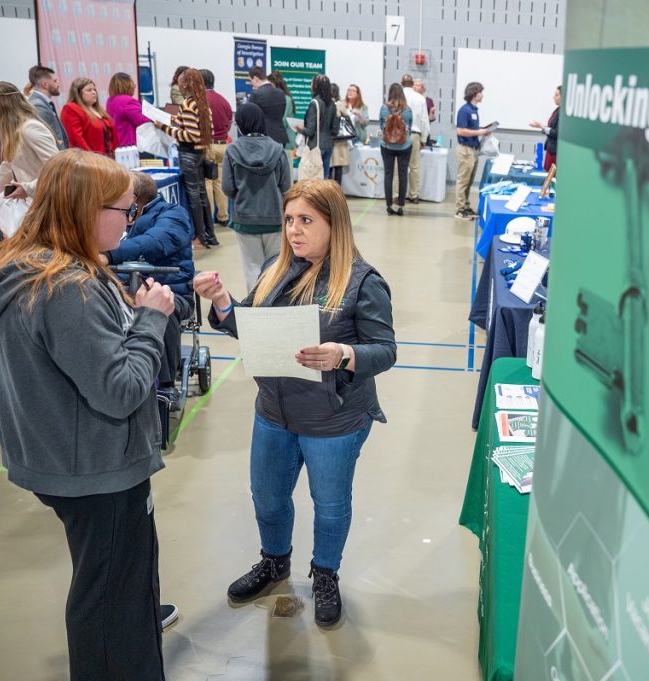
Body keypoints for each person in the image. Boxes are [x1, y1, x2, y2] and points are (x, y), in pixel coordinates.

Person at [0, 149, 176, 680]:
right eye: (125, 210)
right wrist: (150, 322)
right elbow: (120, 389)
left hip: (63, 455)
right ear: (85, 210)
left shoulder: (29, 267)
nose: (130, 221)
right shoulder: (66, 287)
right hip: (97, 469)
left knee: (113, 582)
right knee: (109, 601)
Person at [193, 178, 396, 628]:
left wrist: (345, 354)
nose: (293, 231)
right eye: (289, 220)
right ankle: (274, 562)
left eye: (306, 220)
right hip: (274, 413)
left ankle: (325, 575)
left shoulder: (362, 282)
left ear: (334, 224)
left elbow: (386, 349)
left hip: (333, 419)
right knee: (267, 497)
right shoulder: (274, 268)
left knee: (330, 505)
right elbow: (249, 326)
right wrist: (224, 304)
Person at [102, 171, 195, 399]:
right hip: (125, 291)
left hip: (170, 291)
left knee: (161, 307)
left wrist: (109, 255)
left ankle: (166, 384)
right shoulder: (116, 218)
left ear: (134, 199)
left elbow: (155, 242)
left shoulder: (173, 215)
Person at [223, 103, 292, 291]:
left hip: (244, 219)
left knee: (252, 267)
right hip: (274, 218)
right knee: (277, 266)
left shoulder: (232, 150)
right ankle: (276, 304)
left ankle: (255, 311)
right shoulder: (278, 149)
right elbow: (286, 186)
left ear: (241, 124)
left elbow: (227, 188)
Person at [154, 68, 218, 248]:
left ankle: (199, 237)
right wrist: (176, 120)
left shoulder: (187, 105)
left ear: (184, 84)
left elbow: (189, 135)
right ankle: (209, 234)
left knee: (194, 198)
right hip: (199, 154)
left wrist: (163, 127)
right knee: (201, 195)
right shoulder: (201, 104)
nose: (178, 86)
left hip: (188, 154)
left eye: (179, 83)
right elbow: (200, 130)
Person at [0, 81, 60, 203]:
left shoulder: (30, 128)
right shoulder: (13, 131)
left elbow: (58, 167)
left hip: (48, 203)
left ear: (3, 105)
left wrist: (28, 188)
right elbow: (9, 165)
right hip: (34, 204)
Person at [200, 69, 234, 226]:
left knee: (207, 182)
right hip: (223, 145)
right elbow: (229, 123)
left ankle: (209, 219)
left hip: (207, 145)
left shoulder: (199, 100)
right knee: (219, 182)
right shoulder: (223, 101)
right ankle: (223, 216)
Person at [454, 81, 489, 220]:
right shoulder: (465, 110)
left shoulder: (474, 110)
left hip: (473, 150)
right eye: (481, 92)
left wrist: (482, 131)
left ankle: (466, 206)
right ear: (475, 94)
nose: (482, 95)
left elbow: (472, 130)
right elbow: (461, 131)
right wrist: (479, 132)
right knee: (463, 181)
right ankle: (459, 209)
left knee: (469, 181)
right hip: (465, 150)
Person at [378, 83, 413, 216]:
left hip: (387, 145)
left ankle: (389, 205)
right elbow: (409, 127)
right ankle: (400, 206)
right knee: (403, 175)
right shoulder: (407, 110)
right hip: (404, 145)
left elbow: (382, 126)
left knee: (388, 174)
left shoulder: (384, 108)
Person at [61, 77, 118, 156]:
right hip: (90, 161)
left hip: (109, 159)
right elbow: (77, 139)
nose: (94, 92)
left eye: (94, 90)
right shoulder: (71, 108)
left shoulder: (99, 110)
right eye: (89, 90)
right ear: (78, 93)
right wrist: (92, 158)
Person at [296, 74, 339, 180]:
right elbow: (335, 130)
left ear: (316, 86)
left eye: (312, 83)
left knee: (313, 178)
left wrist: (300, 129)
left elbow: (310, 131)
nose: (310, 85)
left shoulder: (314, 103)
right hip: (328, 144)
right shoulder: (332, 104)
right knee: (324, 178)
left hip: (315, 145)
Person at [400, 74, 430, 204]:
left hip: (398, 135)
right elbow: (424, 120)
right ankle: (414, 195)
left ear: (402, 83)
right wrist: (423, 138)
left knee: (398, 166)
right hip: (414, 134)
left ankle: (397, 195)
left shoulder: (397, 97)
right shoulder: (420, 98)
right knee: (414, 167)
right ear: (412, 84)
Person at [106, 72, 152, 151]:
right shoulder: (127, 101)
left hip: (117, 145)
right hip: (129, 146)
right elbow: (144, 120)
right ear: (126, 85)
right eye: (132, 83)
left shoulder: (110, 101)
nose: (134, 86)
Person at [26, 64, 68, 150]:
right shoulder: (38, 105)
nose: (58, 84)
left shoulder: (43, 103)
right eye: (55, 81)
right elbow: (42, 137)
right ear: (45, 84)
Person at [247, 67, 288, 147]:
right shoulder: (280, 93)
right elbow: (281, 114)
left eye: (250, 80)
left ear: (255, 78)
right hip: (280, 136)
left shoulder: (256, 94)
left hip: (263, 139)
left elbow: (251, 119)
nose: (251, 83)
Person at [529, 85, 560, 171]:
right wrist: (541, 127)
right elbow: (551, 128)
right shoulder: (557, 110)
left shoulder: (562, 113)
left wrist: (541, 126)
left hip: (555, 151)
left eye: (557, 95)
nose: (554, 97)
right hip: (550, 148)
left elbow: (557, 133)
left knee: (549, 176)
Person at [267, 72, 298, 150]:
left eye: (269, 84)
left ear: (275, 84)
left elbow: (283, 121)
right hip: (278, 140)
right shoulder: (276, 98)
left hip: (286, 141)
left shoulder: (286, 99)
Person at [330, 82, 351, 184]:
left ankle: (328, 192)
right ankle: (337, 192)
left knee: (328, 168)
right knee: (338, 167)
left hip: (329, 139)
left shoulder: (325, 104)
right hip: (340, 141)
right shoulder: (340, 105)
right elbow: (347, 117)